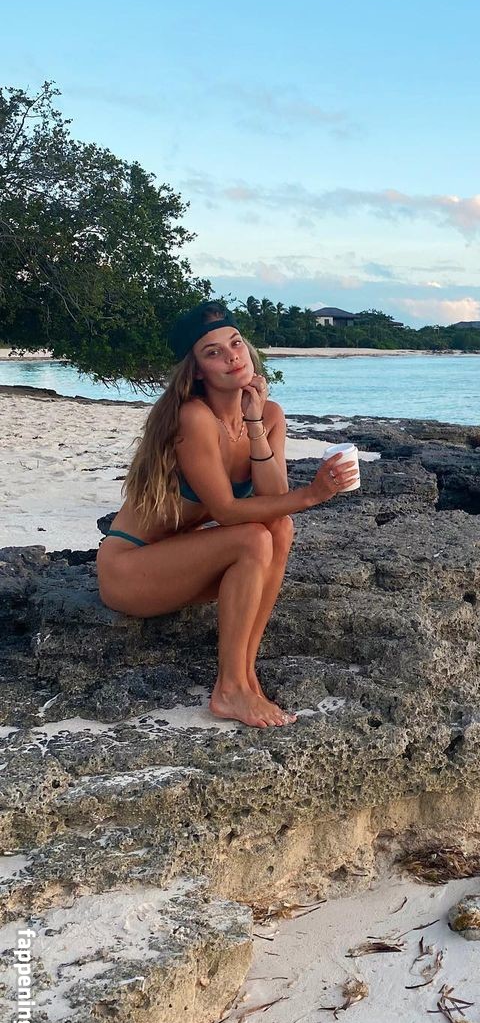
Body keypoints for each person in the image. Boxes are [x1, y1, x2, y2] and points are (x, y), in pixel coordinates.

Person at [96, 299, 359, 728]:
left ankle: (243, 675)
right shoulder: (193, 418)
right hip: (128, 569)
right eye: (213, 352)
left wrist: (255, 424)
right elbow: (226, 510)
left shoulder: (269, 414)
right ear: (198, 370)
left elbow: (273, 498)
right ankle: (229, 688)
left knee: (279, 528)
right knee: (251, 538)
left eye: (235, 343)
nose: (232, 357)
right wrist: (313, 494)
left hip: (182, 562)